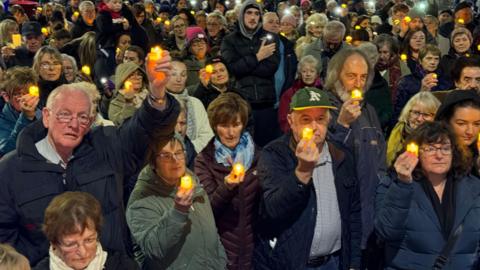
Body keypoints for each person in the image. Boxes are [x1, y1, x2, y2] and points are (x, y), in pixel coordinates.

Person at [0, 50, 179, 265]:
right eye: (65, 114)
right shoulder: (11, 170)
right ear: (46, 116)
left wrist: (157, 94)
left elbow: (144, 133)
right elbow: (5, 240)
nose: (74, 124)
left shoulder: (107, 147)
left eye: (82, 117)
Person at [254, 87, 361, 269]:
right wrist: (303, 172)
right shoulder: (274, 154)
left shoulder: (341, 155)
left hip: (334, 262)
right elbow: (273, 210)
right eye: (305, 120)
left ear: (328, 120)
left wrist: (353, 263)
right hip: (292, 264)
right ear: (291, 121)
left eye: (320, 119)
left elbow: (354, 214)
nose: (314, 127)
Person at [375, 121, 480, 269]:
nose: (439, 155)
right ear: (415, 152)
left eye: (445, 148)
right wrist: (403, 184)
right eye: (430, 149)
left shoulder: (473, 187)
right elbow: (386, 232)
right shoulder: (394, 184)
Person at [324, 48, 386, 267]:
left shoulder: (369, 111)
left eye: (363, 77)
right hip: (337, 218)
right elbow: (322, 160)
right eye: (351, 76)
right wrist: (341, 125)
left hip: (368, 214)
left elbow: (380, 162)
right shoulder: (324, 109)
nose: (358, 83)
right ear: (336, 76)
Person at [126, 134, 227, 269]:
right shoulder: (142, 200)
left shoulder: (193, 182)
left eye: (179, 153)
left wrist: (221, 260)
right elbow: (154, 248)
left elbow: (211, 230)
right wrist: (178, 211)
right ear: (153, 163)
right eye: (166, 156)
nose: (175, 160)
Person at [195, 92, 260, 269]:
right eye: (224, 125)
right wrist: (227, 186)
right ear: (215, 126)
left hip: (256, 248)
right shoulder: (204, 160)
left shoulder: (258, 156)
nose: (231, 132)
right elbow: (208, 210)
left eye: (236, 124)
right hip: (222, 247)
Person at [221, 0, 281, 146]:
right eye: (249, 13)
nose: (253, 17)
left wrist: (245, 66)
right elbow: (233, 69)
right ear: (242, 15)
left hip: (265, 103)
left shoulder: (270, 38)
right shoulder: (229, 40)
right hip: (242, 104)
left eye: (256, 14)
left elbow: (270, 68)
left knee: (266, 147)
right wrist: (258, 57)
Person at [33, 192, 139, 270]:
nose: (83, 252)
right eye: (71, 244)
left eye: (89, 240)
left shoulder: (124, 266)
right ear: (54, 243)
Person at [166, 60, 214, 152]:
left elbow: (207, 136)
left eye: (183, 75)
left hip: (194, 157)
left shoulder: (195, 103)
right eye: (173, 74)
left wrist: (186, 150)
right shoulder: (156, 103)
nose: (179, 79)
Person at [394, 44, 451, 121]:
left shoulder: (445, 81)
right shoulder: (406, 82)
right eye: (429, 58)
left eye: (436, 59)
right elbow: (399, 111)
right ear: (420, 61)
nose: (433, 62)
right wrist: (421, 92)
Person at [387, 92, 440, 166]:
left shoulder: (440, 139)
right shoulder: (398, 131)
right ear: (408, 113)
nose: (419, 119)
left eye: (426, 115)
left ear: (436, 117)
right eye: (416, 113)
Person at [435, 90, 480, 177]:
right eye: (461, 123)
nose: (470, 131)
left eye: (477, 124)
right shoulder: (432, 153)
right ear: (446, 121)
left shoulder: (477, 152)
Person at [0, 67, 39, 157]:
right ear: (6, 96)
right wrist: (26, 117)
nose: (25, 98)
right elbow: (5, 152)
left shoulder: (44, 115)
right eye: (18, 94)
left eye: (27, 92)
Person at [278, 55, 322, 133]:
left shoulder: (324, 93)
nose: (308, 74)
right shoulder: (289, 94)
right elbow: (283, 120)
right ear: (300, 74)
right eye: (304, 71)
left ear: (317, 74)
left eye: (312, 71)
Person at [373, 34, 411, 105]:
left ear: (392, 53)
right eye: (379, 52)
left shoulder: (402, 69)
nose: (381, 56)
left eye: (385, 52)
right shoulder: (371, 67)